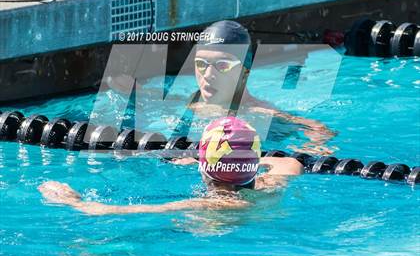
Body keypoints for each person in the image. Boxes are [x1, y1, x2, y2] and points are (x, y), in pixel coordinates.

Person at [38, 117, 303, 215]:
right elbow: (289, 162)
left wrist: (71, 201)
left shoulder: (212, 205)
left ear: (203, 166)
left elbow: (105, 210)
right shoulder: (274, 184)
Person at [176, 20, 336, 158]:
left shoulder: (260, 112)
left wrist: (306, 151)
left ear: (245, 71)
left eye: (222, 65)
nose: (208, 75)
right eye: (201, 64)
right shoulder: (194, 104)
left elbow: (320, 129)